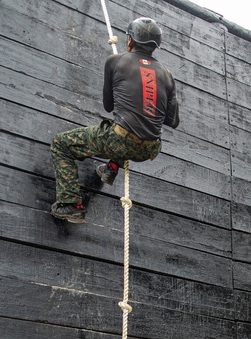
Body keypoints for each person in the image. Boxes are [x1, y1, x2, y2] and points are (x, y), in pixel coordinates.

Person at [50, 17, 180, 222]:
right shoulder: (168, 75)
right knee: (128, 131)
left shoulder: (115, 61)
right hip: (150, 149)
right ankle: (111, 169)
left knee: (61, 144)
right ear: (155, 47)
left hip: (120, 141)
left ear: (130, 40)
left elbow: (109, 106)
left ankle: (70, 204)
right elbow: (172, 121)